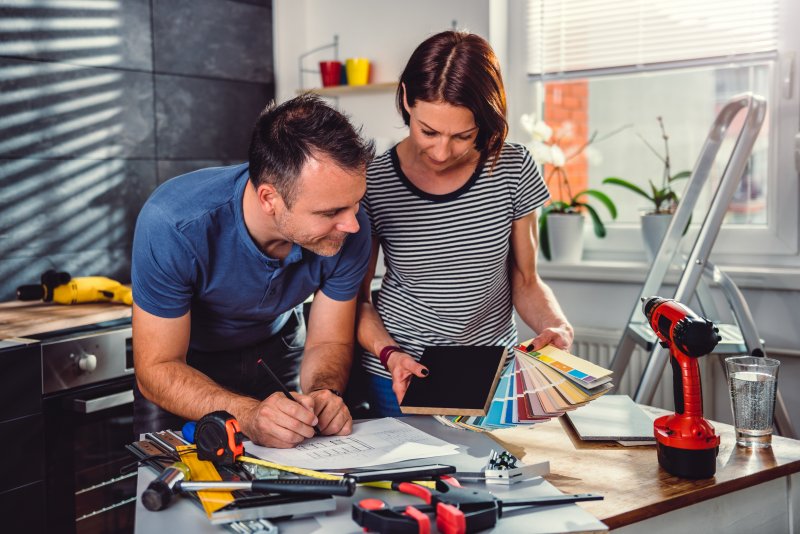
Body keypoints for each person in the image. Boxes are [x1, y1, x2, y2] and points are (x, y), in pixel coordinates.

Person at [132, 94, 375, 447]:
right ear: (269, 199)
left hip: (277, 350)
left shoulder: (350, 228)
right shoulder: (172, 224)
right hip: (186, 366)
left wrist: (325, 394)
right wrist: (246, 414)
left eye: (356, 204)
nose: (352, 225)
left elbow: (328, 340)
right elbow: (157, 367)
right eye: (330, 213)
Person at [356, 31, 574, 416]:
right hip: (399, 373)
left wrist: (556, 325)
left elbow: (525, 280)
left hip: (492, 373)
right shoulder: (374, 181)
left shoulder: (513, 166)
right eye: (428, 131)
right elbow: (358, 301)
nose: (442, 151)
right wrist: (389, 355)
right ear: (407, 99)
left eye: (462, 136)